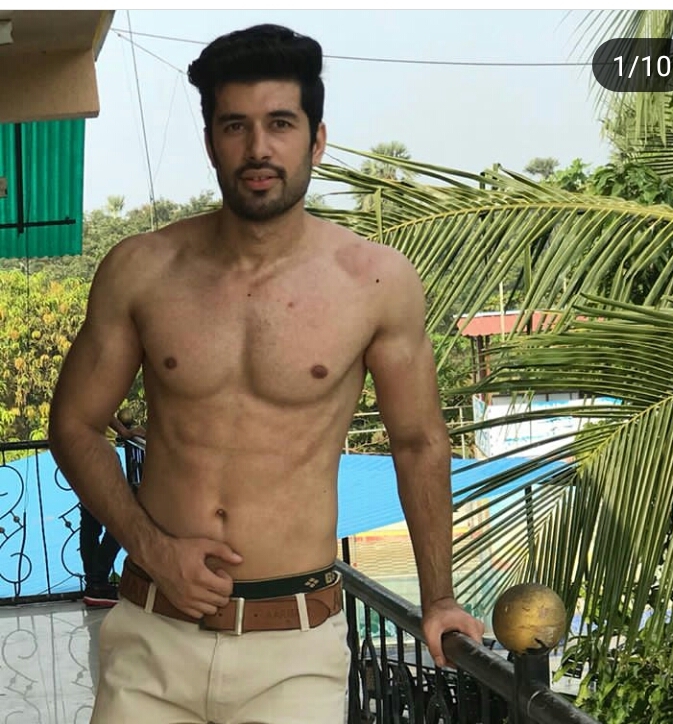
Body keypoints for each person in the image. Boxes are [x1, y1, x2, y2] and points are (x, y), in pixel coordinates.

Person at [49, 23, 484, 724]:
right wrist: (153, 548)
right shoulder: (142, 269)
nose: (258, 148)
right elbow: (73, 424)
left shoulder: (374, 282)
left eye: (281, 124)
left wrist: (438, 599)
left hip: (294, 655)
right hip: (152, 636)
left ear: (316, 139)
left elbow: (419, 441)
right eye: (236, 126)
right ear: (210, 141)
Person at [79, 411, 145, 607]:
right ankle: (97, 582)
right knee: (121, 521)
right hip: (101, 454)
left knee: (90, 524)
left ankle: (94, 584)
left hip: (82, 455)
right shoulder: (93, 389)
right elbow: (100, 408)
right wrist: (124, 431)